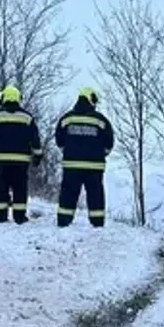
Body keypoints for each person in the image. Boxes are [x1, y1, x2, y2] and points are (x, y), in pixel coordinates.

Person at [0, 85, 43, 224]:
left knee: (1, 187)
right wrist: (38, 156)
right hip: (21, 161)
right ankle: (19, 216)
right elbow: (35, 140)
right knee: (20, 188)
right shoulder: (27, 118)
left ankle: (1, 215)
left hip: (1, 160)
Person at [54, 87, 113, 228]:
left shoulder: (67, 118)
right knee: (95, 195)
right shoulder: (101, 120)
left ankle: (64, 221)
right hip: (94, 166)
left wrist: (68, 151)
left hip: (71, 165)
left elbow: (59, 139)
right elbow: (109, 143)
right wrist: (100, 154)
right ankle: (97, 223)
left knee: (68, 193)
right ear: (91, 100)